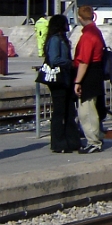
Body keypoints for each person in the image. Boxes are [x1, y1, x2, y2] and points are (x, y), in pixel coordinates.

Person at [43, 14, 80, 153]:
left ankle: (72, 141)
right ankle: (58, 143)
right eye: (65, 23)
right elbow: (54, 59)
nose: (67, 25)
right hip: (58, 80)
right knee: (59, 112)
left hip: (66, 78)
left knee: (69, 111)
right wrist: (70, 63)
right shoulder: (55, 40)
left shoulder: (62, 39)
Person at [72, 5, 106, 153]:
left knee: (86, 111)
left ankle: (93, 142)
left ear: (80, 18)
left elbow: (84, 61)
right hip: (97, 72)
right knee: (93, 108)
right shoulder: (96, 31)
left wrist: (77, 81)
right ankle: (97, 138)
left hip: (89, 75)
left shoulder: (87, 36)